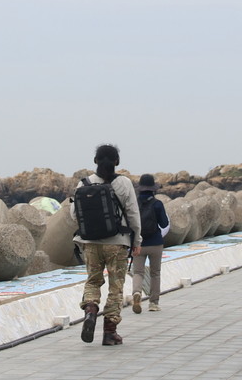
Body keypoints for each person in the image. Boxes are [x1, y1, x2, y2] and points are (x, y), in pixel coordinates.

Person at [70, 144, 141, 345]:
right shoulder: (124, 183)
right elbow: (133, 215)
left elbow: (74, 214)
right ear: (117, 162)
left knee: (93, 281)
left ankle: (91, 310)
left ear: (96, 161)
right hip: (117, 243)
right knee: (115, 287)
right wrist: (137, 241)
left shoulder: (84, 183)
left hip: (91, 243)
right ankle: (110, 332)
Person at [130, 174, 169, 314]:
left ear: (140, 188)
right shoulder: (157, 204)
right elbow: (164, 223)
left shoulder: (134, 204)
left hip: (138, 243)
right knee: (155, 273)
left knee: (138, 272)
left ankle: (137, 293)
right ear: (153, 188)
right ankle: (153, 303)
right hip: (156, 243)